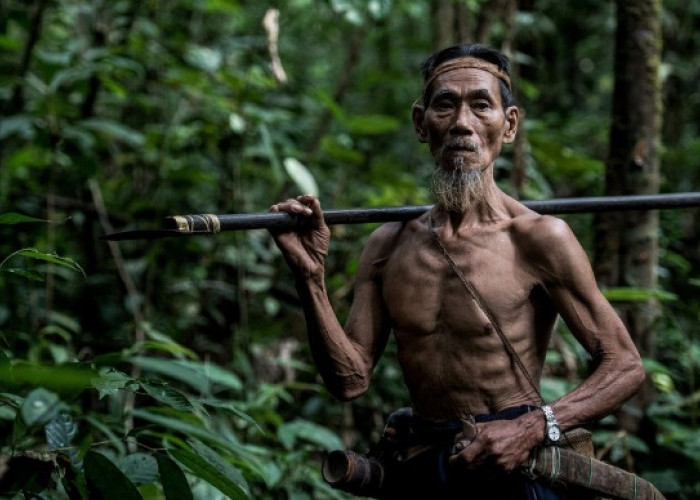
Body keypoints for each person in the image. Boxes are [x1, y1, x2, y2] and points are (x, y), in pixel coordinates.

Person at [270, 43, 645, 499]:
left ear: (508, 126)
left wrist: (531, 430)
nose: (462, 123)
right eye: (445, 104)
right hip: (424, 468)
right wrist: (311, 278)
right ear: (420, 124)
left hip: (513, 469)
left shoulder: (539, 239)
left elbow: (624, 365)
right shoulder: (387, 245)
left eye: (481, 105)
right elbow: (349, 380)